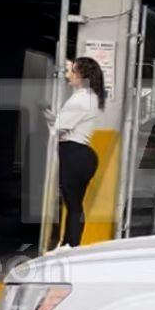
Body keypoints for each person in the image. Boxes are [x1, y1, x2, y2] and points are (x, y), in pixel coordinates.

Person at [47, 57, 104, 247]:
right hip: (80, 154)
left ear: (81, 75)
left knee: (72, 206)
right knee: (74, 205)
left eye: (73, 71)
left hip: (74, 152)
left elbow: (61, 126)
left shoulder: (82, 97)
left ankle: (70, 247)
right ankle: (68, 245)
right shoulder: (89, 96)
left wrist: (51, 120)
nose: (69, 75)